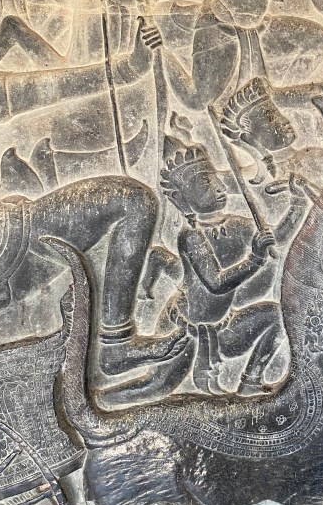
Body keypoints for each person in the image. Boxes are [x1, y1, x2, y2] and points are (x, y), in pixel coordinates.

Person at [0, 16, 184, 376]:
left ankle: (116, 343)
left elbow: (54, 86)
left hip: (15, 232)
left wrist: (129, 66)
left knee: (133, 200)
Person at [109, 140, 308, 404]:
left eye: (215, 179)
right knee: (155, 387)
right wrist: (255, 258)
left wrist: (297, 204)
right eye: (205, 183)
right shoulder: (192, 237)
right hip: (184, 331)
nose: (218, 187)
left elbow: (275, 240)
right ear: (182, 199)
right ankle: (104, 399)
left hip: (223, 327)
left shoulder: (238, 225)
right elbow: (216, 283)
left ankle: (250, 382)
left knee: (276, 317)